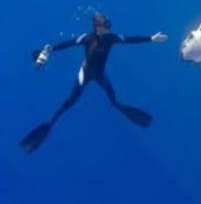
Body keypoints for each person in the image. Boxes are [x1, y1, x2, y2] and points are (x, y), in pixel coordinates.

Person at [20, 12, 168, 153]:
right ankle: (50, 122)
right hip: (85, 73)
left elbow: (129, 39)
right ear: (98, 27)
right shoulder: (87, 38)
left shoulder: (111, 38)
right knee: (71, 101)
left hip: (100, 74)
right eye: (105, 25)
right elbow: (68, 43)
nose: (108, 28)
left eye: (108, 24)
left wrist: (151, 38)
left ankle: (121, 107)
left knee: (114, 101)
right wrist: (50, 49)